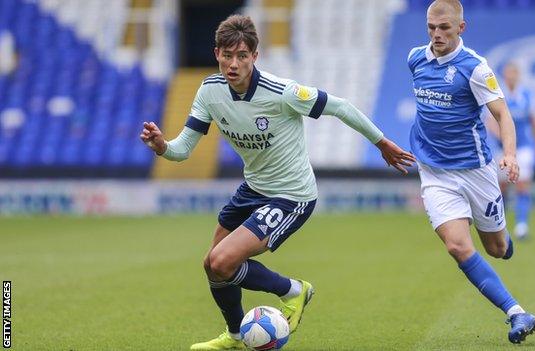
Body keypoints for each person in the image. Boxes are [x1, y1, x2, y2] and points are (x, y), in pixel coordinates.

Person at [141, 14, 415, 351]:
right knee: (212, 264)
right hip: (252, 189)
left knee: (224, 261)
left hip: (291, 195)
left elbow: (340, 106)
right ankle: (236, 335)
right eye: (227, 56)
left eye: (242, 56)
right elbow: (182, 149)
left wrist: (381, 142)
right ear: (217, 55)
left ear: (255, 57)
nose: (234, 64)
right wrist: (162, 147)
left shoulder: (282, 92)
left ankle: (294, 291)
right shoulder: (210, 91)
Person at [406, 0, 535, 344]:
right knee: (456, 246)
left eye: (444, 28)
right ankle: (516, 312)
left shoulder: (476, 69)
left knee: (496, 248)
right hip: (435, 173)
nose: (436, 35)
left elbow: (503, 115)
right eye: (431, 28)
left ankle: (506, 239)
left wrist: (509, 155)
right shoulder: (415, 59)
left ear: (461, 28)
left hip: (476, 171)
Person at [486, 62, 535, 240]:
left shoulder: (527, 95)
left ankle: (521, 225)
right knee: (501, 187)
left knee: (522, 184)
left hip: (523, 147)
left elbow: (534, 121)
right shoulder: (497, 94)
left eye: (514, 73)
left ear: (518, 75)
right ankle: (500, 227)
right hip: (502, 148)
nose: (511, 77)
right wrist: (505, 139)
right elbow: (491, 121)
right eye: (508, 73)